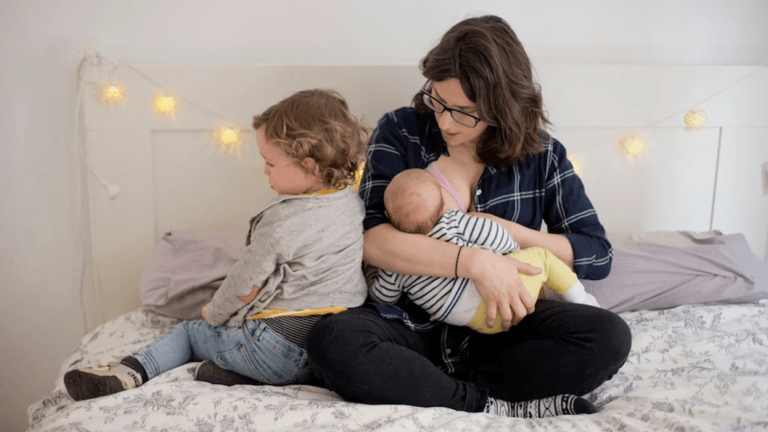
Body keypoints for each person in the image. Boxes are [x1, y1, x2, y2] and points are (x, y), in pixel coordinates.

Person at [305, 15, 632, 419]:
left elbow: (597, 254)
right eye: (438, 101)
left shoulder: (542, 154)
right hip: (410, 327)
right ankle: (484, 403)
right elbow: (372, 242)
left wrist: (507, 233)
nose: (444, 121)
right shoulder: (401, 131)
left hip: (507, 328)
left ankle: (437, 388)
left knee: (609, 336)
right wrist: (475, 263)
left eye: (464, 112)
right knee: (333, 339)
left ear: (503, 105)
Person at [63, 89, 369, 401]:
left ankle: (128, 372)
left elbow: (244, 285)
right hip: (322, 357)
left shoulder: (281, 222)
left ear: (309, 166)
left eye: (270, 163)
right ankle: (237, 375)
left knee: (189, 333)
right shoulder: (352, 204)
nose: (264, 171)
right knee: (250, 349)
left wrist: (214, 312)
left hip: (273, 351)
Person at [371, 168, 600, 334]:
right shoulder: (453, 221)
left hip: (475, 322)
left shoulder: (399, 261)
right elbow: (493, 233)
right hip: (503, 299)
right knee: (543, 258)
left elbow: (382, 295)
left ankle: (551, 293)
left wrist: (372, 274)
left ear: (389, 217)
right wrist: (509, 254)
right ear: (443, 205)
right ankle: (584, 301)